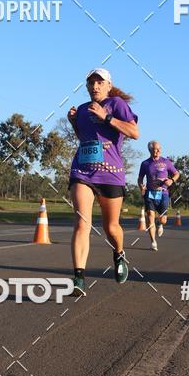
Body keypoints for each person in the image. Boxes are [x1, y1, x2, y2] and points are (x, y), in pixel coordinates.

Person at [67, 68, 139, 296]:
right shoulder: (81, 109)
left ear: (108, 85)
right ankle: (79, 278)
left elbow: (134, 132)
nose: (95, 86)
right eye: (91, 83)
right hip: (83, 171)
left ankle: (119, 253)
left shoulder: (116, 104)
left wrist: (106, 117)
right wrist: (73, 122)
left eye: (99, 82)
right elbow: (85, 138)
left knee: (111, 228)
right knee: (81, 224)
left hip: (111, 174)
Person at [137, 141, 179, 251]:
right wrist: (141, 186)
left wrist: (171, 180)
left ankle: (160, 225)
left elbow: (176, 173)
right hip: (150, 193)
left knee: (163, 220)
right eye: (156, 149)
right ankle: (153, 242)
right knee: (150, 217)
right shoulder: (145, 163)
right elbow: (140, 178)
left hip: (163, 193)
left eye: (159, 148)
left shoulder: (166, 162)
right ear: (150, 150)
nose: (158, 150)